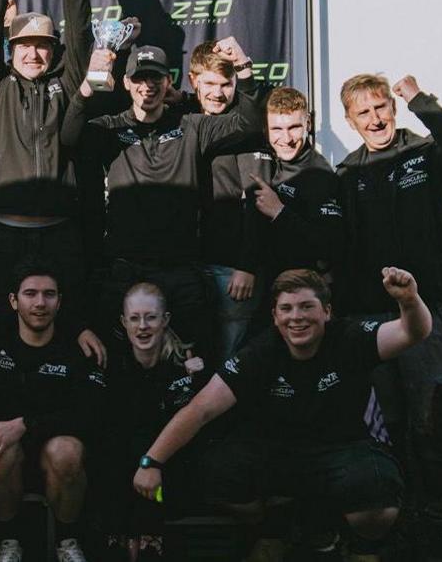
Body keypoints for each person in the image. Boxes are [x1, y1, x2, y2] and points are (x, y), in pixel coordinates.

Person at [132, 268, 431, 559]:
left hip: (345, 449)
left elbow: (412, 332)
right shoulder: (261, 351)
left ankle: (353, 542)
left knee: (378, 496)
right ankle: (276, 528)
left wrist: (409, 300)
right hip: (279, 453)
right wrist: (152, 460)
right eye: (286, 309)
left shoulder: (351, 337)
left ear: (327, 311)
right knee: (216, 472)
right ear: (275, 317)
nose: (296, 317)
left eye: (306, 307)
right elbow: (201, 408)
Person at [335, 74, 442, 560]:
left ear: (392, 110)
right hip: (372, 319)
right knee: (388, 427)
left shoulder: (424, 152)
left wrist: (421, 100)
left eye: (382, 108)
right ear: (350, 121)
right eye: (364, 113)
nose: (376, 119)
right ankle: (399, 520)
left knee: (433, 423)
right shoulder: (346, 173)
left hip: (432, 309)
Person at [61, 44, 267, 348]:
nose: (148, 86)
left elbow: (248, 123)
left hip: (181, 269)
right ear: (127, 83)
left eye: (156, 78)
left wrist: (244, 71)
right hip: (124, 269)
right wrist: (87, 88)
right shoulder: (108, 129)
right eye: (140, 79)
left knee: (192, 361)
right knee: (121, 359)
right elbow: (68, 137)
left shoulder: (192, 126)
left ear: (169, 82)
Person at [0, 0, 93, 311]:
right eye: (24, 45)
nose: (33, 53)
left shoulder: (68, 82)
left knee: (67, 323)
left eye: (43, 45)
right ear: (11, 48)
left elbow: (79, 33)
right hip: (5, 235)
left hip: (62, 234)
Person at [0, 259, 106, 562]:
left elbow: (89, 415)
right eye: (30, 294)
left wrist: (26, 423)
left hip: (57, 451)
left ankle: (67, 541)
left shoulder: (80, 349)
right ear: (13, 300)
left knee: (66, 451)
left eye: (49, 295)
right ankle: (9, 541)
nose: (40, 303)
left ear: (60, 302)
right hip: (10, 454)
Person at [98, 283, 208, 562]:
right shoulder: (114, 365)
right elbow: (113, 436)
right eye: (134, 318)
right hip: (121, 483)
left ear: (166, 320)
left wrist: (193, 379)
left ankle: (148, 537)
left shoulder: (186, 365)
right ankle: (127, 534)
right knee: (114, 450)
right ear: (124, 322)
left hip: (168, 478)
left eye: (151, 317)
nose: (143, 326)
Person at [192, 37, 272, 359]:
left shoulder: (249, 127)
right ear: (193, 81)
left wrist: (247, 266)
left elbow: (258, 203)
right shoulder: (184, 118)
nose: (217, 92)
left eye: (226, 84)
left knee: (231, 361)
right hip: (191, 265)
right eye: (209, 83)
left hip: (232, 270)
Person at [243, 86, 345, 283]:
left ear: (308, 123)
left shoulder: (320, 175)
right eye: (277, 129)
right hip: (265, 287)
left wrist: (280, 212)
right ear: (265, 128)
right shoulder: (265, 158)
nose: (287, 139)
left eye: (294, 127)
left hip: (301, 289)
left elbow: (330, 246)